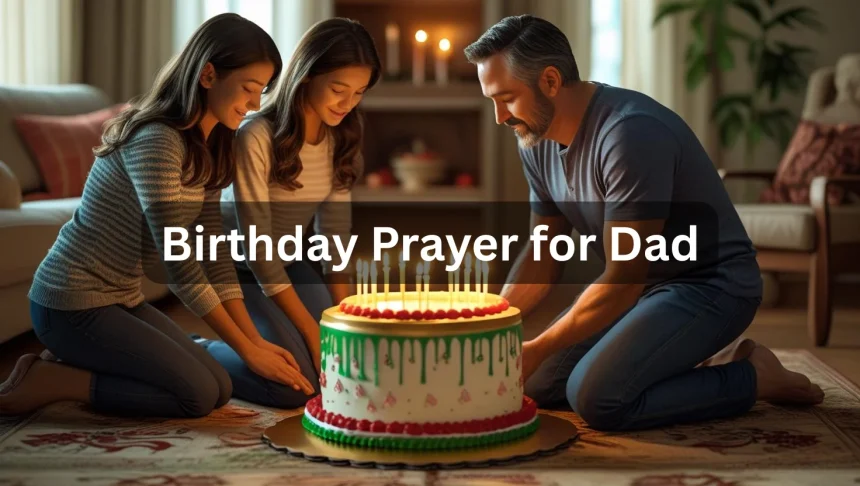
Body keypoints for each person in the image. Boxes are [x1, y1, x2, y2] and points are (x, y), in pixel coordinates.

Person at [464, 15, 824, 431]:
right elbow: (542, 253)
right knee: (541, 382)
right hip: (645, 290)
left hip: (711, 286)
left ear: (549, 81)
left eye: (506, 98)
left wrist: (539, 345)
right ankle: (667, 353)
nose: (498, 117)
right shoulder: (535, 139)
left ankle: (754, 375)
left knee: (597, 397)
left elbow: (624, 276)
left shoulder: (629, 134)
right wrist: (492, 324)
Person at [0, 13, 314, 419]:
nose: (255, 105)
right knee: (198, 396)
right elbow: (178, 261)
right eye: (249, 89)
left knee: (219, 388)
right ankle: (54, 380)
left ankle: (174, 355)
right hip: (70, 305)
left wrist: (254, 341)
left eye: (263, 92)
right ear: (208, 75)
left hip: (122, 301)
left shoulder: (214, 143)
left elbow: (212, 252)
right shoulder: (157, 139)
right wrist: (246, 350)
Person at [192, 17, 381, 408]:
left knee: (338, 368)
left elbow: (335, 239)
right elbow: (259, 252)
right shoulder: (255, 135)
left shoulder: (341, 138)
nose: (348, 104)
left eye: (359, 93)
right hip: (241, 269)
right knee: (296, 385)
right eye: (338, 89)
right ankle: (199, 350)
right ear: (307, 75)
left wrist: (341, 322)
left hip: (289, 265)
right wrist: (315, 335)